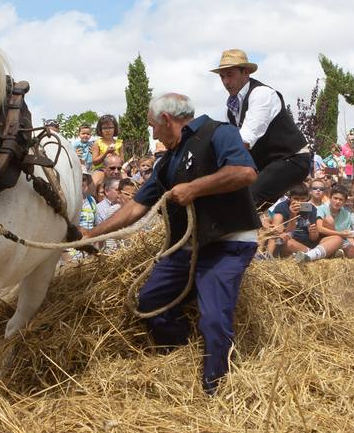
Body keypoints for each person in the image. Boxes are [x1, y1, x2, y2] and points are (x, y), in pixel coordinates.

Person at [84, 92, 258, 395]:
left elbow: (244, 172)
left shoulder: (219, 133)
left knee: (214, 318)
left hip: (227, 244)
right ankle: (182, 352)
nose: (152, 133)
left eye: (153, 125)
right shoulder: (167, 162)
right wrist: (95, 233)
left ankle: (214, 389)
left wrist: (194, 188)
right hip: (188, 248)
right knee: (150, 302)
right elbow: (136, 207)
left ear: (167, 120)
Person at [212, 49, 312, 209]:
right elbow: (230, 144)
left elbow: (243, 141)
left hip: (292, 160)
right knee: (233, 201)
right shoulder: (230, 107)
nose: (225, 82)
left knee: (245, 201)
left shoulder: (261, 94)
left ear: (246, 72)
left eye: (229, 75)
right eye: (222, 77)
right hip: (268, 165)